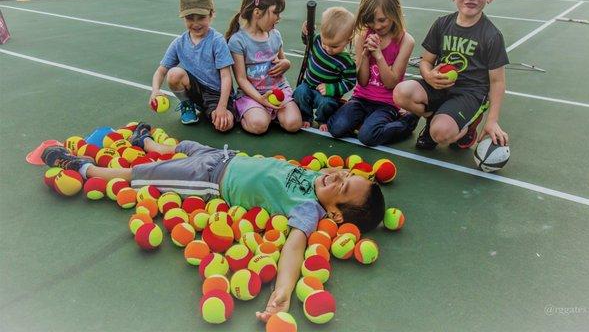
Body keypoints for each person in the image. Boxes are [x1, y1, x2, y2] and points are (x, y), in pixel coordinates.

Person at [40, 122, 385, 323]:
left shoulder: (309, 209)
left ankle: (84, 169)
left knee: (149, 173)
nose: (338, 175)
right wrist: (336, 174)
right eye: (347, 173)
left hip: (212, 180)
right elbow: (326, 170)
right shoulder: (318, 175)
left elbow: (294, 246)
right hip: (225, 155)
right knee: (181, 145)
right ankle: (143, 140)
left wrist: (283, 291)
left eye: (343, 186)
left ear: (336, 214)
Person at [393, 0, 509, 149]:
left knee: (440, 133)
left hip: (470, 93)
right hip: (439, 87)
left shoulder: (492, 36)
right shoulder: (442, 24)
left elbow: (497, 82)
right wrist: (429, 75)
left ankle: (467, 126)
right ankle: (435, 120)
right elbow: (425, 61)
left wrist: (492, 120)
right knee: (401, 93)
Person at [327, 0, 418, 146]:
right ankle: (366, 120)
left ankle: (407, 122)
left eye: (382, 20)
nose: (376, 26)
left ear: (394, 12)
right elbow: (362, 81)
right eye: (371, 21)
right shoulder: (363, 34)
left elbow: (391, 83)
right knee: (336, 128)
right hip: (361, 98)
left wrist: (379, 55)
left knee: (367, 137)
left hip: (387, 104)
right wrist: (366, 55)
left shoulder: (406, 41)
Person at [149, 0, 235, 131]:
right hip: (194, 90)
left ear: (212, 14)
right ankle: (188, 105)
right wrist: (155, 90)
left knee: (224, 126)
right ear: (183, 17)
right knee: (174, 74)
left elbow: (226, 76)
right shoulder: (179, 42)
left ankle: (214, 110)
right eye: (190, 18)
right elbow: (161, 71)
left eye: (201, 17)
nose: (195, 24)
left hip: (216, 94)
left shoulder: (217, 41)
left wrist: (222, 107)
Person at [225, 0, 302, 135]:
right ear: (257, 12)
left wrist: (286, 63)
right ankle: (250, 112)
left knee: (293, 124)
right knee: (259, 126)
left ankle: (270, 113)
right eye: (275, 12)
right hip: (253, 95)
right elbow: (241, 79)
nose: (278, 18)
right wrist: (261, 100)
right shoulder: (238, 41)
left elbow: (283, 60)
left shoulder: (275, 35)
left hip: (278, 90)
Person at [293, 7, 356, 132]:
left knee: (327, 104)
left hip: (328, 94)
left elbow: (349, 82)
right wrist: (305, 32)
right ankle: (306, 116)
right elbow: (307, 41)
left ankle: (323, 119)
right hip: (309, 85)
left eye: (334, 46)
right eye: (324, 43)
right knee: (300, 92)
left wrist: (331, 89)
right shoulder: (317, 40)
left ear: (348, 39)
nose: (328, 48)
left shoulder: (346, 61)